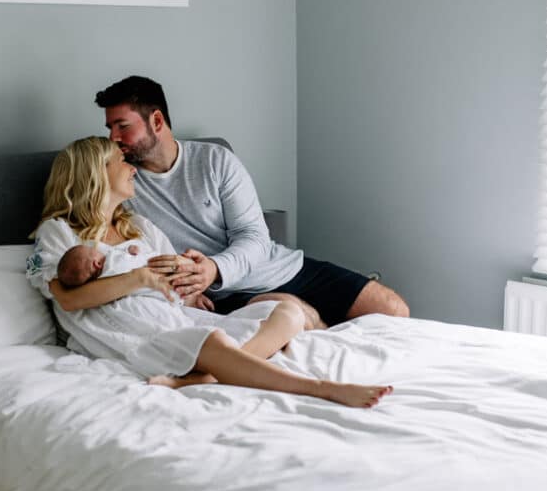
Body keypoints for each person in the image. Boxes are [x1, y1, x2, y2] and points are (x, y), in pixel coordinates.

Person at [27, 136, 392, 408]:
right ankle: (323, 389)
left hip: (169, 312)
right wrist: (138, 279)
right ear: (95, 174)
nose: (132, 167)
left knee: (288, 312)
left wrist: (189, 282)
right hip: (123, 323)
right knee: (212, 342)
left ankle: (203, 378)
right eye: (120, 162)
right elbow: (68, 299)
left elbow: (170, 276)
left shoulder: (140, 226)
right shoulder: (59, 232)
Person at [95, 75, 411, 328]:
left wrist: (215, 268)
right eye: (110, 128)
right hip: (227, 297)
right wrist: (187, 290)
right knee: (303, 324)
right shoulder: (120, 182)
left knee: (394, 310)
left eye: (123, 126)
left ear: (157, 121)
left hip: (275, 266)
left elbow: (255, 237)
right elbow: (123, 253)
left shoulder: (214, 160)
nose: (113, 138)